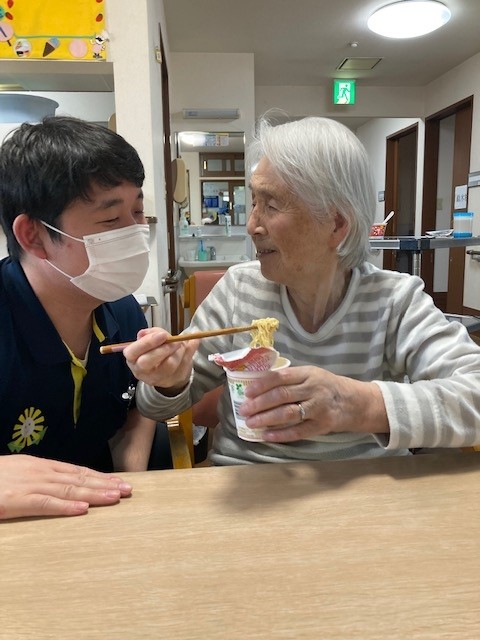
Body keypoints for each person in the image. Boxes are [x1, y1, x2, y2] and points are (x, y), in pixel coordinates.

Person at [125, 116, 480, 465]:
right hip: (248, 481)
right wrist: (167, 382)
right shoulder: (238, 289)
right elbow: (157, 407)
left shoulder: (394, 300)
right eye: (254, 202)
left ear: (337, 224)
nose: (252, 226)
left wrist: (354, 404)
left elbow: (474, 393)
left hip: (366, 484)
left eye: (271, 205)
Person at [0, 116, 156, 519]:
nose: (135, 234)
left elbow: (133, 405)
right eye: (111, 220)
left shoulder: (121, 309)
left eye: (138, 211)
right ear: (33, 236)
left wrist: (130, 479)